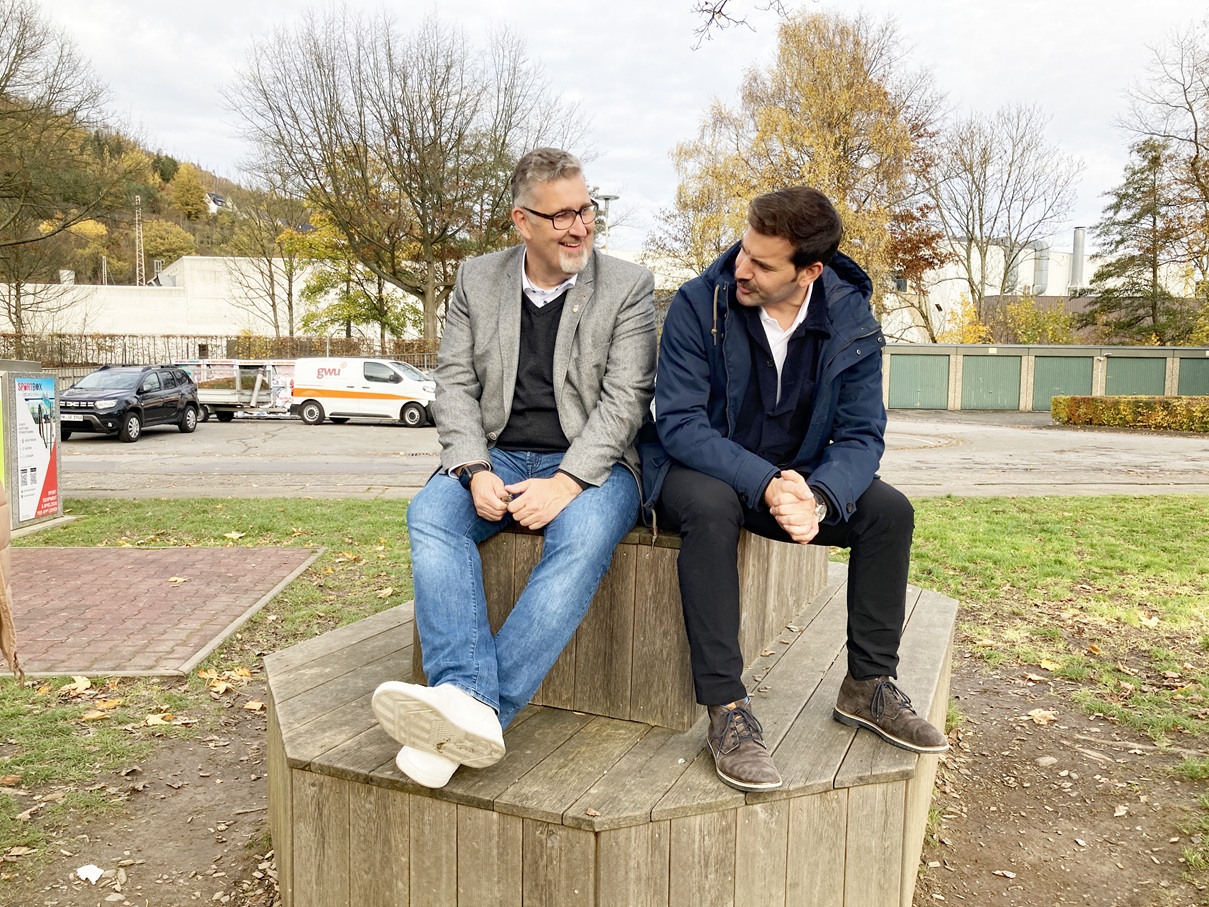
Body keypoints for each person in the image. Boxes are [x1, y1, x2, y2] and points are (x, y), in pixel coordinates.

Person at [641, 186, 948, 793]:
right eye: (743, 251)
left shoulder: (850, 317)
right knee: (710, 506)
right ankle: (727, 709)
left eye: (762, 263)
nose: (741, 269)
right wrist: (767, 482)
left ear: (810, 270)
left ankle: (867, 685)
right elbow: (679, 423)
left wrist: (821, 496)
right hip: (699, 469)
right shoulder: (699, 304)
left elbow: (862, 434)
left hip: (797, 480)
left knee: (888, 511)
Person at [372, 148, 657, 789]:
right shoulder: (477, 279)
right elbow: (453, 383)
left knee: (581, 539)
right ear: (520, 222)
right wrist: (473, 468)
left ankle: (474, 713)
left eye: (585, 209)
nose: (579, 226)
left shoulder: (628, 287)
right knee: (431, 516)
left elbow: (626, 400)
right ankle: (470, 696)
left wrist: (566, 483)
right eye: (560, 216)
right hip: (494, 450)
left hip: (593, 463)